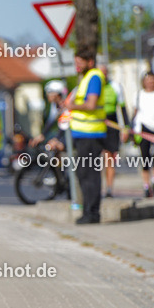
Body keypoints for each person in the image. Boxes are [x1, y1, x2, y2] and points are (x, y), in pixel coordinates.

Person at [69, 50, 107, 224]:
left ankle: (91, 213)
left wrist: (72, 106)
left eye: (80, 62)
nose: (77, 66)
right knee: (84, 174)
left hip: (91, 134)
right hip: (84, 134)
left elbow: (91, 104)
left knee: (89, 175)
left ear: (90, 61)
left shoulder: (94, 77)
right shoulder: (86, 78)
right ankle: (89, 212)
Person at [97, 61, 130, 198]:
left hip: (112, 125)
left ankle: (109, 188)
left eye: (105, 72)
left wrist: (126, 128)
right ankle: (98, 188)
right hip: (97, 125)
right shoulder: (93, 86)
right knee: (98, 159)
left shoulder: (115, 86)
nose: (103, 75)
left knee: (110, 159)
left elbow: (122, 109)